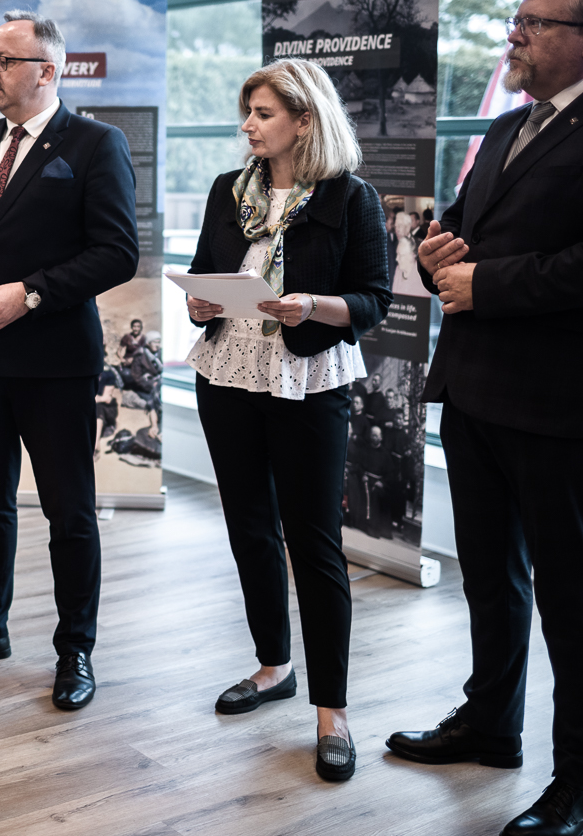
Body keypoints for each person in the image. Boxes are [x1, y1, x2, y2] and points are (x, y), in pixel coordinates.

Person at [385, 0, 583, 836]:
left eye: (533, 23)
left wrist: (488, 282)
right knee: (489, 576)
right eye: (515, 22)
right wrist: (437, 250)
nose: (513, 36)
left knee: (571, 598)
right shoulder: (509, 125)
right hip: (474, 388)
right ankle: (491, 724)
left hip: (560, 398)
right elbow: (467, 230)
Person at [0, 10, 138, 710]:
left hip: (55, 364)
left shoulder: (97, 144)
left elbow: (117, 252)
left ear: (47, 71)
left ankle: (76, 649)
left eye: (3, 61)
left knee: (69, 513)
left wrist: (30, 294)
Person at [184, 58, 390, 782]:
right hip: (226, 373)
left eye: (263, 113)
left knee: (314, 542)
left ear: (305, 120)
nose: (248, 125)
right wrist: (199, 303)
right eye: (247, 111)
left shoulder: (350, 197)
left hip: (306, 377)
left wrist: (312, 307)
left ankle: (333, 712)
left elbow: (372, 300)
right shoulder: (227, 190)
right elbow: (205, 273)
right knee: (249, 527)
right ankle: (274, 666)